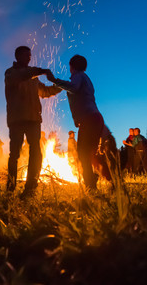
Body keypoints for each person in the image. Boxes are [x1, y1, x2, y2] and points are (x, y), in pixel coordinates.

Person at [5, 46, 61, 197]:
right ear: (18, 57)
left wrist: (60, 86)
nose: (29, 58)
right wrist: (43, 71)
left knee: (35, 151)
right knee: (14, 154)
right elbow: (22, 75)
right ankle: (10, 187)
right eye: (26, 56)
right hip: (16, 119)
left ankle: (31, 187)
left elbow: (46, 91)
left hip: (33, 119)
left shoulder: (33, 78)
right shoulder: (11, 73)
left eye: (30, 56)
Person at [47, 54, 105, 192]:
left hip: (89, 119)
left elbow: (73, 88)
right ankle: (98, 180)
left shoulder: (78, 76)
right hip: (95, 118)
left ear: (72, 66)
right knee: (90, 153)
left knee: (83, 153)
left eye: (70, 66)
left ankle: (90, 185)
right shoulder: (86, 78)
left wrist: (54, 80)